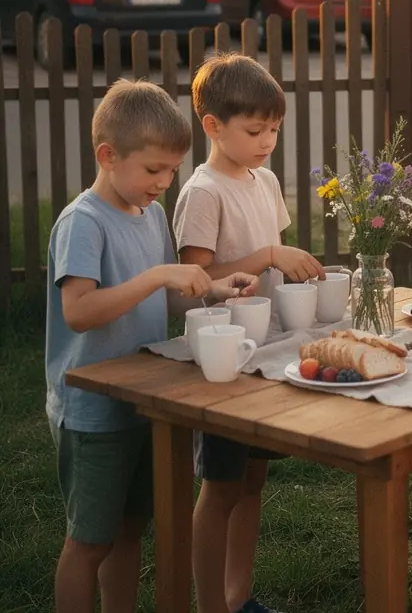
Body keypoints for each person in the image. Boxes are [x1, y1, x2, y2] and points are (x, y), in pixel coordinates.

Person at [45, 80, 257, 613]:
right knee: (89, 541)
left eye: (171, 171)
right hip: (92, 412)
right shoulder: (84, 223)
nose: (164, 182)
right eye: (153, 170)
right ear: (107, 156)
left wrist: (212, 286)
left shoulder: (153, 214)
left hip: (144, 400)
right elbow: (80, 311)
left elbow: (165, 296)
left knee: (129, 530)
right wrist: (159, 275)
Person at [173, 53, 324, 613]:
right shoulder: (204, 191)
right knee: (219, 488)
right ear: (212, 126)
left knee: (252, 484)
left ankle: (239, 598)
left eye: (275, 130)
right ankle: (211, 605)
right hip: (222, 364)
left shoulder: (262, 179)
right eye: (255, 130)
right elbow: (195, 280)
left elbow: (274, 257)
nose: (267, 141)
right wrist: (266, 255)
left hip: (263, 350)